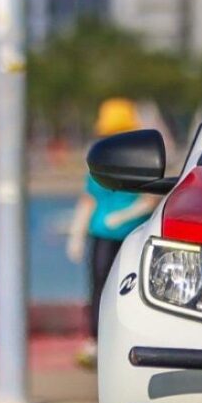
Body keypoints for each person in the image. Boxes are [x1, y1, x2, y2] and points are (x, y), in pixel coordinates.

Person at [67, 97, 160, 368]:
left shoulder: (142, 160)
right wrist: (76, 231)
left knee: (131, 289)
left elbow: (150, 199)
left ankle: (131, 340)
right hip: (101, 235)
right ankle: (96, 340)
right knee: (97, 287)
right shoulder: (98, 162)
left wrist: (124, 215)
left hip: (132, 236)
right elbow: (89, 198)